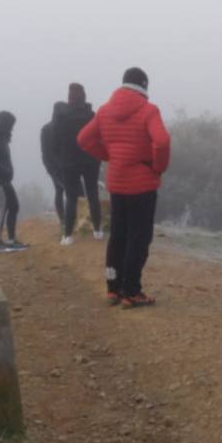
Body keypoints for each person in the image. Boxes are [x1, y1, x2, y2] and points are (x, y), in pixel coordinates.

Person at [78, 67, 170, 308]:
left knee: (118, 236)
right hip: (142, 185)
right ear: (144, 86)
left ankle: (113, 288)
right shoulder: (149, 110)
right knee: (138, 238)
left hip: (117, 183)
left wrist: (109, 156)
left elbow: (83, 139)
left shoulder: (104, 111)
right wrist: (157, 167)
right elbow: (161, 142)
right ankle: (131, 292)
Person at [52, 83, 103, 246]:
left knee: (71, 198)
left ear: (69, 97)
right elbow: (98, 136)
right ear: (84, 96)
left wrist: (59, 159)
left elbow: (55, 139)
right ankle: (97, 231)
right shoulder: (92, 115)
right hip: (91, 160)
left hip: (69, 162)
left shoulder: (60, 116)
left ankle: (68, 235)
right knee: (93, 194)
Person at [0, 111, 27, 252]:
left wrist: (7, 174)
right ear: (3, 123)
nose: (11, 128)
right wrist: (6, 172)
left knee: (14, 206)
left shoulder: (1, 137)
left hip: (4, 180)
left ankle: (11, 240)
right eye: (10, 125)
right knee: (2, 207)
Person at [40, 102, 65, 223]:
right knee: (66, 191)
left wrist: (48, 168)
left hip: (53, 166)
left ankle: (63, 219)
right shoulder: (62, 127)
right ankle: (67, 219)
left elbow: (44, 152)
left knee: (59, 191)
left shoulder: (45, 128)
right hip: (61, 166)